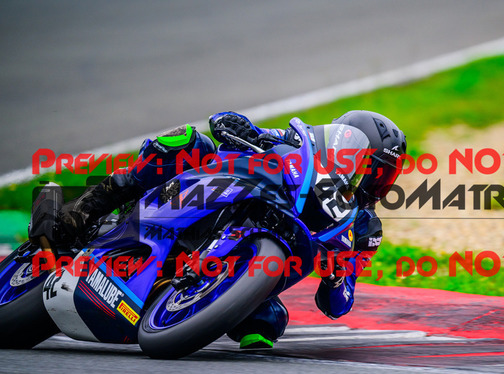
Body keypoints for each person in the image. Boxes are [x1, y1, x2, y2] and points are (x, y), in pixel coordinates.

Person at [56, 111, 407, 349]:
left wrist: (336, 276)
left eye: (383, 174)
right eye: (370, 166)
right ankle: (87, 207)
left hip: (256, 264)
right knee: (189, 142)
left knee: (267, 325)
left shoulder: (363, 228)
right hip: (223, 201)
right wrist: (240, 128)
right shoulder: (301, 144)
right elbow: (233, 125)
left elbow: (338, 305)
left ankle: (190, 308)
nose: (373, 179)